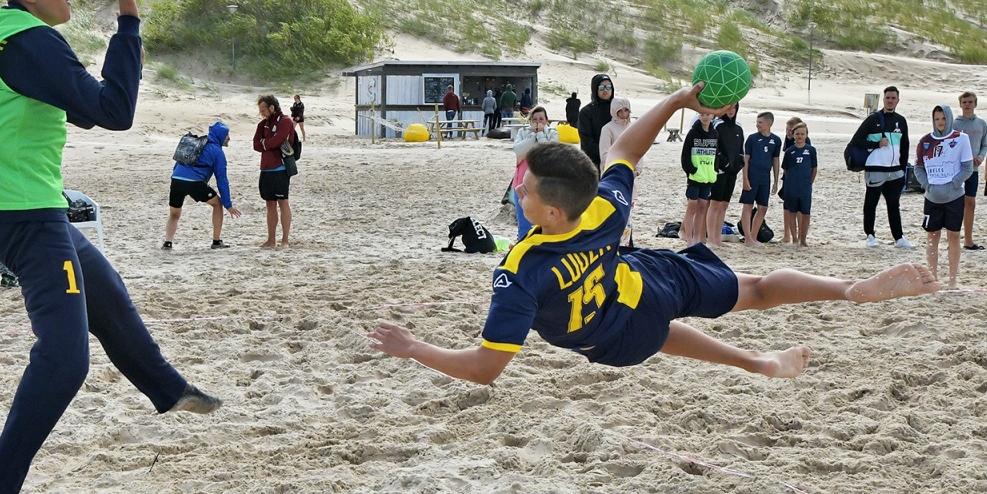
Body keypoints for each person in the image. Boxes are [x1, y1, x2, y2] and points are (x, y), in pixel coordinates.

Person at [369, 84, 941, 388]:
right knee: (755, 287)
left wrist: (412, 347)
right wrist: (677, 101)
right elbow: (626, 150)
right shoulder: (603, 208)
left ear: (552, 210)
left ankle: (759, 364)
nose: (519, 189)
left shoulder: (519, 271)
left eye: (526, 188)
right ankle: (846, 290)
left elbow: (484, 368)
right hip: (639, 281)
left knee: (659, 333)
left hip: (611, 339)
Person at [0, 0, 222, 494]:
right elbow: (113, 111)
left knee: (103, 289)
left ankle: (167, 389)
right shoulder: (29, 42)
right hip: (27, 215)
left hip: (16, 207)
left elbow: (76, 106)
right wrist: (129, 24)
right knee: (65, 360)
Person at [914, 105, 974, 289]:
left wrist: (954, 184)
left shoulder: (961, 139)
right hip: (932, 197)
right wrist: (927, 185)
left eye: (943, 118)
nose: (940, 122)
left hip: (954, 196)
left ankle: (952, 280)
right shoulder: (925, 141)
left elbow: (967, 168)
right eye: (937, 119)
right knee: (932, 236)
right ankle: (932, 278)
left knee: (954, 236)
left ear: (949, 118)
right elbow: (918, 167)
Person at [849, 85, 914, 249]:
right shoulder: (873, 119)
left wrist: (902, 169)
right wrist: (876, 144)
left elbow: (905, 146)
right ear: (883, 99)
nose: (890, 101)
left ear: (898, 100)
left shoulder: (901, 120)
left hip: (895, 172)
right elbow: (856, 141)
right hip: (875, 169)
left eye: (893, 98)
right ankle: (870, 235)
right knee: (871, 203)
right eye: (888, 98)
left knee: (894, 205)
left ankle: (899, 238)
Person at [164, 121, 242, 249]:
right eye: (227, 135)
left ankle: (168, 243)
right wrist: (228, 205)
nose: (229, 138)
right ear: (220, 136)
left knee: (174, 214)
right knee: (217, 204)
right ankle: (216, 241)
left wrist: (177, 179)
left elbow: (179, 162)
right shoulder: (217, 152)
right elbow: (222, 180)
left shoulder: (197, 143)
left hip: (177, 179)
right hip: (195, 182)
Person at [511, 106, 561, 240]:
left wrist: (540, 134)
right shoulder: (523, 132)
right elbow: (518, 150)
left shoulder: (553, 133)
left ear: (546, 120)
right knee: (523, 221)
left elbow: (549, 152)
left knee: (545, 220)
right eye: (535, 119)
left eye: (541, 119)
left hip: (545, 181)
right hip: (521, 180)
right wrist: (532, 136)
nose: (538, 122)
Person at [598, 97, 642, 247]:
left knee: (627, 218)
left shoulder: (634, 128)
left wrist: (636, 170)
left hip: (629, 179)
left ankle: (625, 247)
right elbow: (604, 155)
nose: (623, 114)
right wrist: (621, 167)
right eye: (620, 111)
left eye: (626, 110)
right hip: (613, 179)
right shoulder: (607, 129)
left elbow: (639, 151)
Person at [253, 94, 295, 249]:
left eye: (263, 110)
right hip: (266, 168)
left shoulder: (285, 121)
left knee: (283, 202)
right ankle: (271, 239)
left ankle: (285, 240)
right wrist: (268, 144)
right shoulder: (262, 125)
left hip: (280, 168)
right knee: (269, 203)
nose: (262, 114)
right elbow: (256, 144)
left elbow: (279, 140)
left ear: (272, 107)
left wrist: (266, 143)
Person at [738, 111, 780, 247]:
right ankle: (748, 238)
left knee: (763, 207)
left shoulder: (776, 140)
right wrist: (745, 179)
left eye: (760, 122)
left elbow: (776, 161)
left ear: (769, 123)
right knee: (748, 205)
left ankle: (754, 237)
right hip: (752, 175)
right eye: (757, 122)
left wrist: (776, 181)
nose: (757, 125)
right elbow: (746, 160)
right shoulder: (752, 139)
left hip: (765, 177)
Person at [952, 92, 987, 251]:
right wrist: (965, 157)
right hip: (958, 170)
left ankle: (968, 240)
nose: (967, 104)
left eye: (970, 102)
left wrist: (980, 157)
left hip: (973, 170)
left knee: (970, 203)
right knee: (955, 204)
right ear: (960, 104)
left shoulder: (981, 123)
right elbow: (951, 145)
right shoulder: (955, 124)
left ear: (975, 104)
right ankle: (953, 239)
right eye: (965, 102)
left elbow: (985, 145)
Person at [705, 105, 744, 246]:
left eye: (734, 107)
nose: (731, 110)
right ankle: (711, 238)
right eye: (729, 107)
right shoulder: (717, 125)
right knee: (715, 204)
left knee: (724, 205)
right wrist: (725, 163)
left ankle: (717, 238)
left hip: (732, 172)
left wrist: (739, 165)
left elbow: (740, 150)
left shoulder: (738, 127)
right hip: (719, 171)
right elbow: (714, 148)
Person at [680, 111, 717, 246]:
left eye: (707, 114)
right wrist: (691, 170)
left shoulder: (714, 134)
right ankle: (689, 238)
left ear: (712, 115)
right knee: (692, 206)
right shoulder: (692, 133)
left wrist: (714, 169)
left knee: (702, 207)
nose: (705, 117)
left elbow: (717, 154)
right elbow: (685, 155)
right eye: (702, 114)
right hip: (695, 176)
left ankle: (697, 238)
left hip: (708, 176)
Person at [781, 123, 818, 247]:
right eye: (797, 134)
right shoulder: (789, 151)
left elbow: (814, 169)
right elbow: (786, 170)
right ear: (793, 135)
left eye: (802, 134)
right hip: (791, 187)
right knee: (792, 212)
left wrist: (809, 182)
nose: (800, 136)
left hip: (805, 187)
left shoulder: (811, 150)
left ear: (806, 135)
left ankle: (803, 240)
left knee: (805, 213)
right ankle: (795, 239)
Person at [577, 74, 615, 169]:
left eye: (608, 87)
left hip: (616, 158)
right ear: (595, 89)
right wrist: (605, 153)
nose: (605, 90)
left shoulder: (618, 110)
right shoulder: (586, 112)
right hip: (593, 161)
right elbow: (587, 141)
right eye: (601, 87)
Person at [779, 116, 804, 243]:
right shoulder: (788, 139)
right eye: (787, 130)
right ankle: (786, 234)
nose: (788, 132)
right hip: (788, 177)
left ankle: (800, 235)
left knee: (799, 207)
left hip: (799, 178)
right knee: (786, 205)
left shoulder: (804, 141)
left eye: (790, 130)